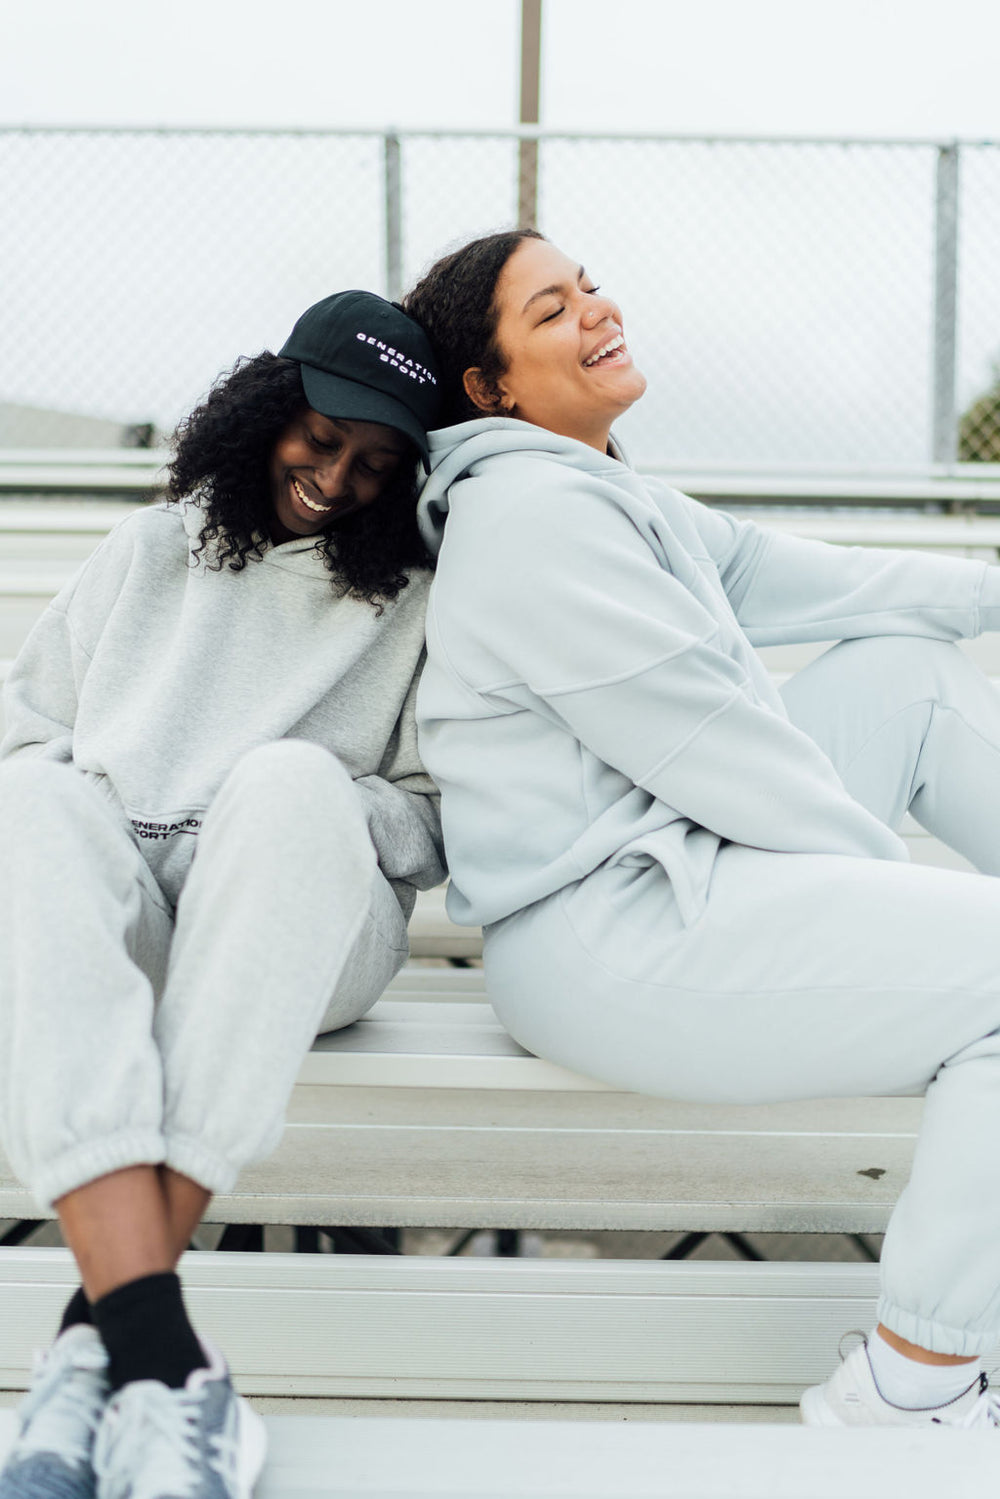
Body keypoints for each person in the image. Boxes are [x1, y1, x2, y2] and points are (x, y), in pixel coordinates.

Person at [403, 229, 1000, 1429]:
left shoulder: (600, 488)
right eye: (552, 310)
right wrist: (898, 920)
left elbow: (819, 580)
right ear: (490, 387)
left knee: (907, 669)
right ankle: (909, 1384)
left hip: (678, 868)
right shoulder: (531, 520)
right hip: (608, 939)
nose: (597, 310)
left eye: (590, 285)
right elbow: (724, 755)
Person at [0, 290, 445, 1498]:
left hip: (308, 920)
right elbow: (23, 738)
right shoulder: (151, 550)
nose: (337, 476)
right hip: (140, 922)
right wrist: (124, 813)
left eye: (374, 463)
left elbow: (424, 818)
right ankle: (154, 1371)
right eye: (320, 435)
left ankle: (117, 1342)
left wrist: (285, 808)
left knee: (296, 778)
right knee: (32, 807)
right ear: (266, 410)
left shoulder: (413, 597)